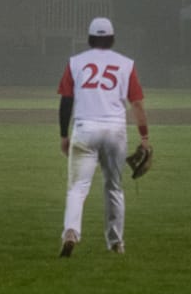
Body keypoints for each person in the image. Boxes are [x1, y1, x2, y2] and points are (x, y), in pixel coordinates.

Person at [54, 17, 150, 257]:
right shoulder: (126, 64)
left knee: (77, 188)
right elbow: (136, 104)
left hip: (85, 129)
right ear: (112, 38)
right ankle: (116, 242)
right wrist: (144, 136)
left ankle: (71, 232)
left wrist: (64, 135)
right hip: (115, 131)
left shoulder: (75, 62)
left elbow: (66, 101)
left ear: (89, 38)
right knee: (114, 188)